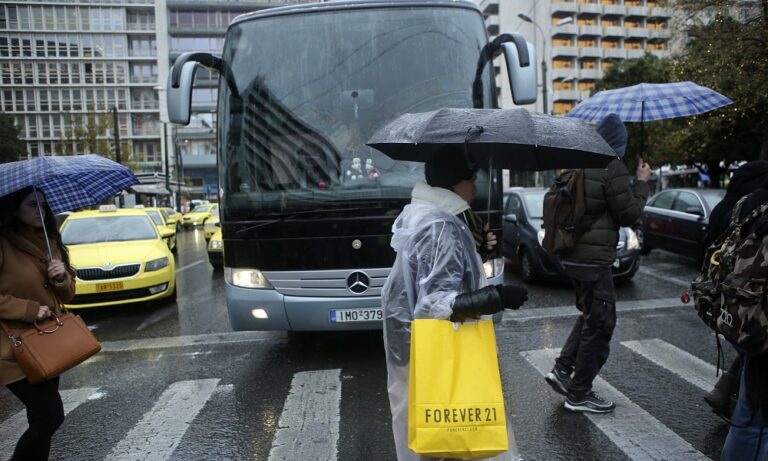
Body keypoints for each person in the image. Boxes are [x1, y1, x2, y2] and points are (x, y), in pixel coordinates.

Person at [381, 147, 529, 461]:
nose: (475, 187)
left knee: (434, 434)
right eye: (471, 179)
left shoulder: (428, 216)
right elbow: (435, 303)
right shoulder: (440, 227)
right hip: (434, 346)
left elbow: (435, 279)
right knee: (450, 437)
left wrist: (476, 253)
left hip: (414, 345)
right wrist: (498, 297)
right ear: (455, 182)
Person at [544, 113, 651, 413]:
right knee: (602, 324)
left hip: (573, 256)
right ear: (619, 144)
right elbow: (628, 214)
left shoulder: (579, 162)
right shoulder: (611, 166)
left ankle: (563, 369)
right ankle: (579, 393)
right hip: (593, 261)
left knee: (592, 315)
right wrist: (642, 184)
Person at [0, 186, 76, 461]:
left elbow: (68, 295)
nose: (40, 211)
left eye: (43, 206)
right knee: (50, 415)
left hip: (46, 343)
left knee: (39, 419)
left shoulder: (50, 242)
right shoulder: (3, 243)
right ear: (14, 209)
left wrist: (61, 277)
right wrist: (29, 310)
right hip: (12, 348)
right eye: (32, 205)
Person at [700, 160, 768, 461]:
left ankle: (726, 389)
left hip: (743, 315)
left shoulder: (744, 204)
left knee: (751, 412)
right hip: (757, 320)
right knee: (755, 422)